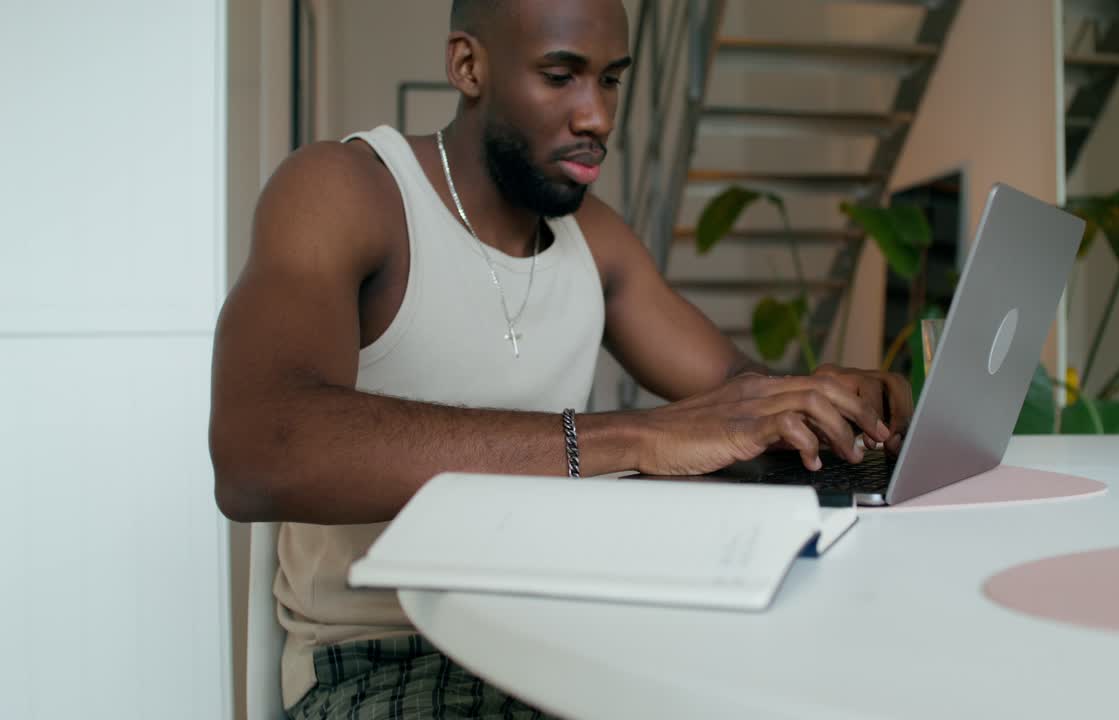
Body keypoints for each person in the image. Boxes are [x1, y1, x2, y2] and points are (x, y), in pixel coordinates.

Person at [210, 0, 912, 717]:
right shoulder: (344, 190)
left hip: (563, 624)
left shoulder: (595, 238)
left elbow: (734, 391)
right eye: (560, 76)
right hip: (391, 654)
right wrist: (629, 436)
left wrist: (818, 400)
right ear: (467, 65)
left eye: (610, 80)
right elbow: (259, 451)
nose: (597, 118)